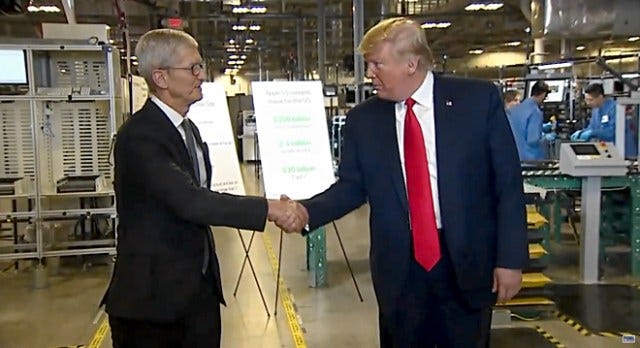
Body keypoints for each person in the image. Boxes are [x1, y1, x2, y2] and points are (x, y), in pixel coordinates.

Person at [292, 17, 528, 347]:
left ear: (411, 63)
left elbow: (507, 185)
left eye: (377, 64)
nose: (369, 73)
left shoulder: (477, 101)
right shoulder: (364, 120)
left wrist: (510, 260)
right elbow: (351, 187)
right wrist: (306, 212)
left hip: (466, 263)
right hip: (400, 270)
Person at [100, 29, 306, 348]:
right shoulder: (140, 136)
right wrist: (270, 208)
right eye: (192, 68)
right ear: (161, 77)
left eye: (201, 66)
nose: (201, 75)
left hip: (197, 293)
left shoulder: (188, 128)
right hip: (152, 306)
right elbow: (190, 201)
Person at [571, 83, 637, 157]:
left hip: (624, 152)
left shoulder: (616, 108)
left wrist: (592, 133)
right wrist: (582, 133)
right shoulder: (595, 110)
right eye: (586, 100)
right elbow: (592, 127)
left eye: (590, 100)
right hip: (608, 152)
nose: (588, 103)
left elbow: (612, 133)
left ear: (600, 97)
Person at [507, 81, 555, 161]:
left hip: (516, 156)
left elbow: (521, 129)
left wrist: (542, 128)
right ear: (543, 94)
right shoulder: (535, 112)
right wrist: (547, 138)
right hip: (531, 159)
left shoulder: (517, 109)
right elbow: (533, 140)